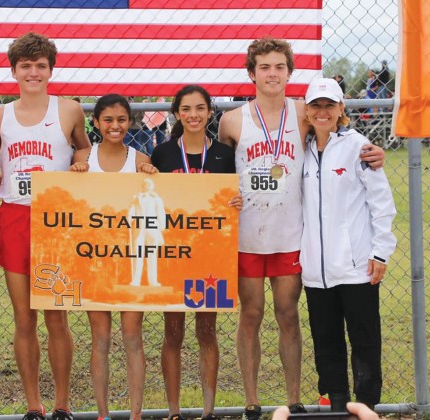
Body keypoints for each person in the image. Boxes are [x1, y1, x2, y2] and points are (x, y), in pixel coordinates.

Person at [218, 37, 386, 420]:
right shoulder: (232, 121)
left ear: (290, 73)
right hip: (247, 235)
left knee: (288, 314)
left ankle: (294, 398)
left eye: (279, 66)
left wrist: (372, 152)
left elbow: (338, 133)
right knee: (251, 315)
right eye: (264, 67)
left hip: (291, 234)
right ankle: (251, 399)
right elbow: (216, 167)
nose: (272, 73)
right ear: (251, 73)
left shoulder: (303, 115)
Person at [0, 32, 90, 420]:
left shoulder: (69, 110)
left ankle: (62, 403)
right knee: (23, 316)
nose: (33, 72)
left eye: (40, 65)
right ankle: (34, 404)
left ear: (50, 69)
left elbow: (82, 147)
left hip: (56, 220)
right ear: (13, 71)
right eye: (25, 66)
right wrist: (7, 188)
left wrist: (77, 168)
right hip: (16, 217)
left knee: (55, 313)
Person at [301, 78, 396, 412]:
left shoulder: (360, 148)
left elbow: (382, 205)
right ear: (307, 110)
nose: (323, 112)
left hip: (357, 267)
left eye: (329, 105)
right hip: (316, 270)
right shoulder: (303, 149)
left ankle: (367, 404)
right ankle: (337, 403)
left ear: (341, 109)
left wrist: (380, 252)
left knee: (364, 339)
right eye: (316, 105)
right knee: (326, 341)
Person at [151, 85, 242, 420]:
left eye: (200, 108)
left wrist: (237, 202)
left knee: (207, 331)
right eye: (186, 109)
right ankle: (173, 411)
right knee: (172, 332)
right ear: (177, 113)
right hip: (173, 255)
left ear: (209, 113)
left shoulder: (224, 154)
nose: (193, 115)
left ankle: (208, 411)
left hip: (211, 256)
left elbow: (233, 198)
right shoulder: (161, 154)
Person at [70, 93, 157, 420]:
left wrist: (152, 174)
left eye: (121, 119)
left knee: (133, 336)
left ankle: (135, 413)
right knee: (101, 338)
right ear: (95, 123)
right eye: (108, 120)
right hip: (94, 261)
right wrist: (74, 174)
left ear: (129, 121)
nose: (115, 126)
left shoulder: (139, 159)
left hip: (131, 258)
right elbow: (68, 206)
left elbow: (156, 203)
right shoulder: (82, 156)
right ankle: (103, 413)